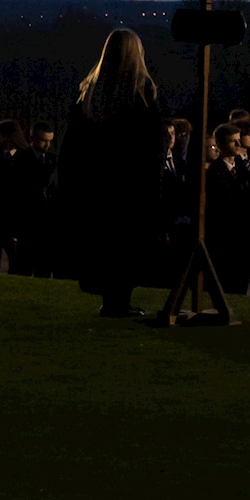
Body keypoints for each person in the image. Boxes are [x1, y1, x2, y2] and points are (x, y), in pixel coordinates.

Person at [53, 28, 170, 318]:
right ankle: (118, 302)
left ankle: (112, 301)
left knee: (105, 246)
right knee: (125, 247)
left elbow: (71, 147)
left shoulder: (89, 98)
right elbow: (152, 147)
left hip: (95, 188)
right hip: (129, 190)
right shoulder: (140, 98)